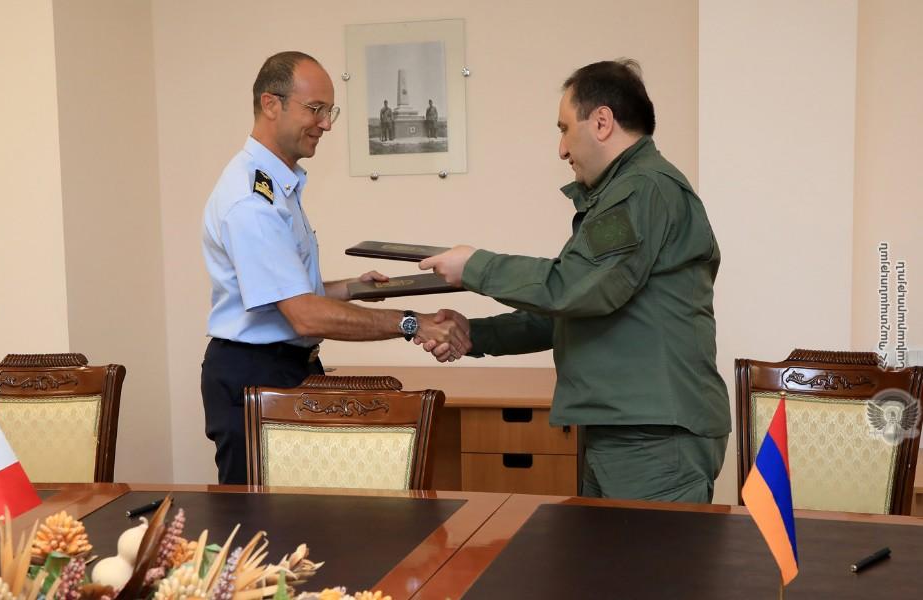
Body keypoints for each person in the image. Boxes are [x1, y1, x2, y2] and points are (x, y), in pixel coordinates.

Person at [420, 59, 731, 503]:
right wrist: (475, 334)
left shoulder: (641, 190)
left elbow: (572, 287)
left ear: (602, 121)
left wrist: (475, 266)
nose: (561, 150)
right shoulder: (626, 192)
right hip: (629, 429)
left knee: (649, 553)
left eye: (565, 129)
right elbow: (573, 308)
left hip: (653, 439)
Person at [201, 51, 470, 485]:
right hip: (256, 374)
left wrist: (350, 288)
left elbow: (282, 292)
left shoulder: (278, 186)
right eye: (315, 109)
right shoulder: (252, 200)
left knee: (301, 511)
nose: (325, 124)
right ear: (271, 104)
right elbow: (303, 314)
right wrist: (412, 323)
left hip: (286, 368)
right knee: (258, 517)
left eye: (330, 111)